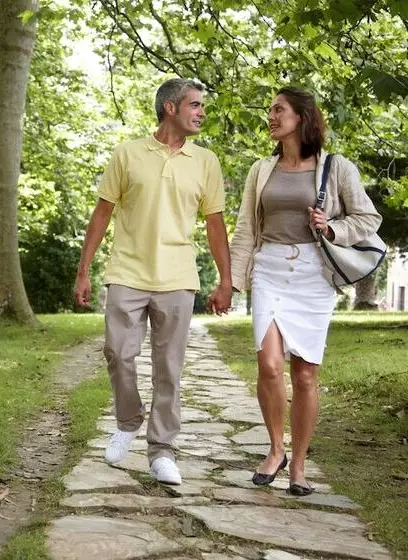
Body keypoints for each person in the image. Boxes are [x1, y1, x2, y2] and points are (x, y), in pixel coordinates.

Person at [73, 78, 232, 485]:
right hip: (127, 272)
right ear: (170, 108)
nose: (202, 113)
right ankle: (128, 421)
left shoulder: (206, 162)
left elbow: (215, 225)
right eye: (195, 105)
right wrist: (84, 270)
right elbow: (102, 213)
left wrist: (225, 279)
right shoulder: (128, 154)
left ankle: (162, 450)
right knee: (118, 353)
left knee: (169, 370)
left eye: (203, 106)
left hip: (178, 277)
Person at [230, 87, 382, 495]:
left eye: (278, 109)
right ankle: (276, 449)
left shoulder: (337, 168)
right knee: (269, 364)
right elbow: (246, 228)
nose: (271, 115)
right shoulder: (261, 169)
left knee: (306, 373)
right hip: (269, 269)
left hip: (313, 275)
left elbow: (368, 218)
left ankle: (298, 465)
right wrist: (231, 280)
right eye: (270, 109)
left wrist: (333, 228)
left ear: (301, 117)